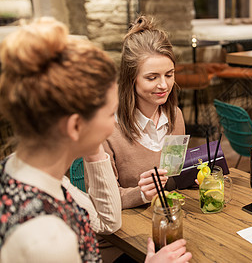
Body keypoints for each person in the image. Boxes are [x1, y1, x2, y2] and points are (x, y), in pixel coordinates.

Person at [0, 18, 191, 263]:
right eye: (109, 113)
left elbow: (108, 220)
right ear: (75, 126)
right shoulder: (46, 238)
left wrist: (92, 150)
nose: (114, 124)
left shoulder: (38, 175)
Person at [88, 15, 185, 210]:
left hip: (167, 219)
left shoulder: (175, 116)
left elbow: (174, 180)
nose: (164, 85)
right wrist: (141, 194)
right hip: (126, 232)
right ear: (131, 79)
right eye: (151, 77)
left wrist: (196, 176)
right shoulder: (107, 129)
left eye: (169, 74)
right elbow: (103, 200)